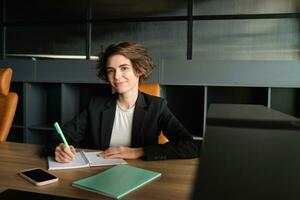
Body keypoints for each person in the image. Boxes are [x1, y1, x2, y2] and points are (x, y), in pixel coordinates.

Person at [48, 42, 200, 163]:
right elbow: (60, 137)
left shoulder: (157, 106)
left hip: (141, 175)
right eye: (111, 70)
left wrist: (138, 151)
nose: (117, 76)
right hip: (100, 174)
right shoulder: (95, 105)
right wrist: (60, 148)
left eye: (124, 68)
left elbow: (190, 146)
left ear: (139, 70)